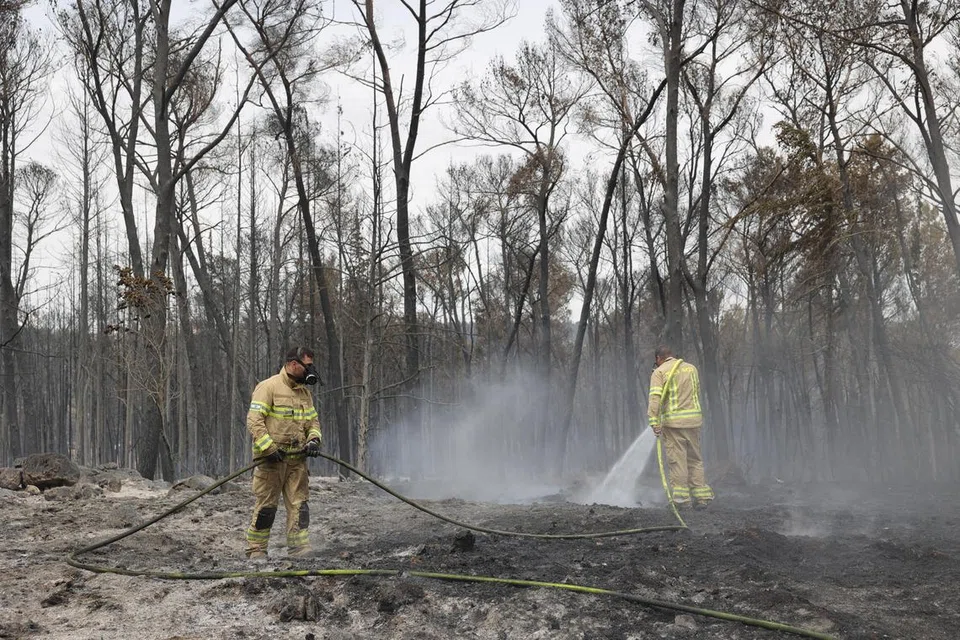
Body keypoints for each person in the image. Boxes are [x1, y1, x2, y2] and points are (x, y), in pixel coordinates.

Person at [245, 346, 323, 558]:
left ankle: (299, 549)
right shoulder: (268, 387)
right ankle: (257, 550)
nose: (310, 370)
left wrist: (314, 439)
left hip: (297, 461)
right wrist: (268, 448)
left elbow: (312, 422)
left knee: (300, 506)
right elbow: (254, 421)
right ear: (293, 364)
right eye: (307, 366)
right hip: (271, 461)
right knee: (267, 507)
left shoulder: (304, 393)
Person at [647, 345, 714, 509]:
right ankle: (701, 498)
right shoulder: (691, 369)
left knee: (678, 461)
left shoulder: (660, 372)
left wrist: (654, 421)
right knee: (695, 459)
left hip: (674, 424)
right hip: (693, 421)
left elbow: (655, 398)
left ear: (658, 359)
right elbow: (695, 393)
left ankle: (682, 500)